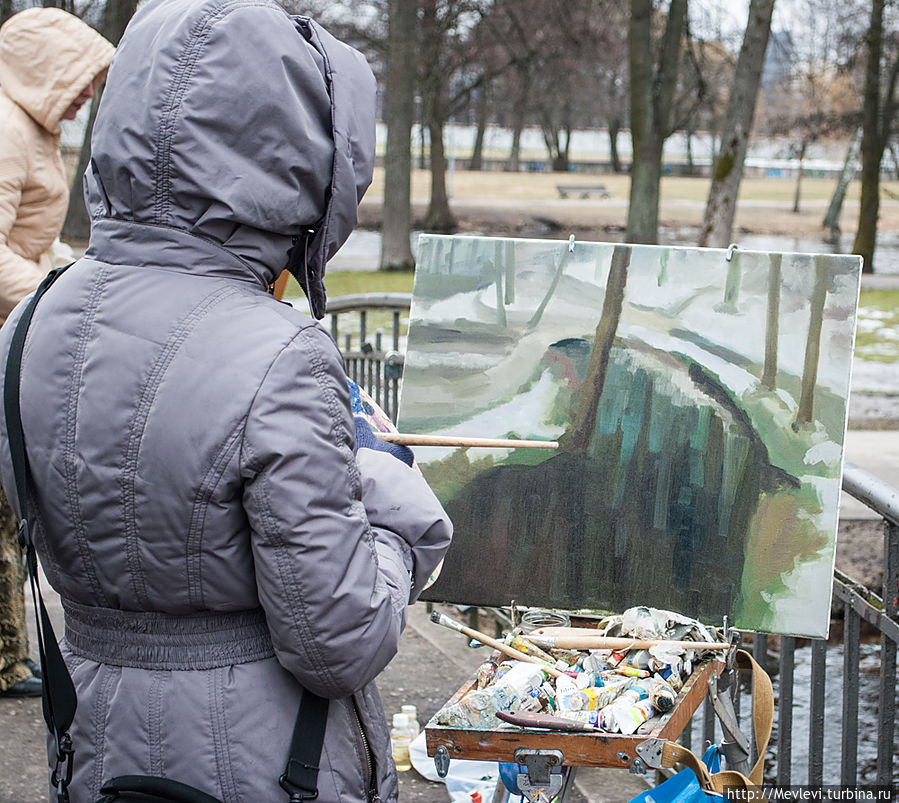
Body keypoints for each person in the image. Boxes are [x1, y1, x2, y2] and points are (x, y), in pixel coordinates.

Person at [0, 0, 452, 801]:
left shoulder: (29, 322)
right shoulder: (277, 352)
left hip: (97, 748)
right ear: (298, 153)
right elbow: (337, 638)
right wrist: (386, 486)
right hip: (262, 763)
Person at [0, 7, 114, 699]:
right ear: (44, 70)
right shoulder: (6, 131)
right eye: (78, 81)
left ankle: (9, 652)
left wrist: (77, 268)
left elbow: (29, 239)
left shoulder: (32, 129)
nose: (85, 97)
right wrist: (58, 292)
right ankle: (4, 655)